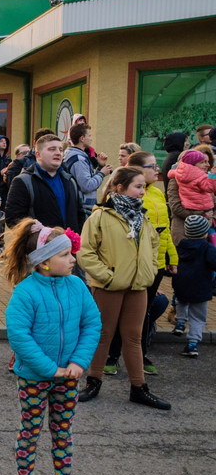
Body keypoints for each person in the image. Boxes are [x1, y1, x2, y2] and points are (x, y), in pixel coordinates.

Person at [2, 218, 99, 475]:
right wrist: (49, 368)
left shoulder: (78, 287)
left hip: (70, 376)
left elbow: (91, 324)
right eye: (65, 255)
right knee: (30, 429)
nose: (73, 259)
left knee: (63, 430)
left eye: (71, 253)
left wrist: (78, 362)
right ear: (44, 262)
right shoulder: (26, 292)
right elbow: (19, 335)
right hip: (34, 377)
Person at [76, 167, 170, 410]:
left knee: (134, 337)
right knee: (103, 335)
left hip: (138, 287)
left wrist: (148, 272)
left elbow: (153, 245)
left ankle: (139, 388)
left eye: (143, 186)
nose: (142, 191)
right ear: (119, 187)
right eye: (138, 186)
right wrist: (108, 277)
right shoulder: (100, 217)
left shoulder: (143, 216)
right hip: (109, 287)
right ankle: (93, 381)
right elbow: (85, 253)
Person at [105, 152, 176, 375]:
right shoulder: (127, 197)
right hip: (131, 263)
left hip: (154, 263)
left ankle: (141, 355)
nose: (157, 170)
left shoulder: (156, 193)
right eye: (151, 166)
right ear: (135, 168)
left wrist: (171, 259)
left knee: (142, 312)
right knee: (121, 311)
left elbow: (165, 231)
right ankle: (112, 355)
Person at [4, 133, 84, 232]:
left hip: (69, 245)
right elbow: (13, 219)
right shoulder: (23, 181)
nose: (58, 153)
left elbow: (79, 214)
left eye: (60, 149)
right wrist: (39, 235)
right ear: (38, 154)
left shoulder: (70, 181)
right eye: (52, 149)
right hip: (39, 246)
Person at [169, 215, 216, 357]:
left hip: (181, 283)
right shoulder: (207, 248)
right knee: (198, 316)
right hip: (201, 286)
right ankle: (192, 344)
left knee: (180, 301)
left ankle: (181, 322)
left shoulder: (181, 245)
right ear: (204, 232)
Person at [63, 123, 113, 216]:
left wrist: (100, 167)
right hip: (83, 210)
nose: (91, 138)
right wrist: (101, 174)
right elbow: (87, 186)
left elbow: (88, 181)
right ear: (82, 138)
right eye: (89, 135)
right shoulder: (78, 160)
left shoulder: (76, 155)